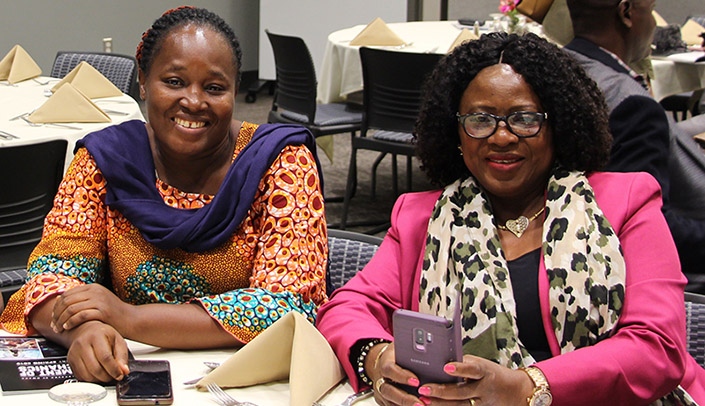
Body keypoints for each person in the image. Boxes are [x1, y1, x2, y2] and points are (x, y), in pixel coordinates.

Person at [316, 33, 705, 405]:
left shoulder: (626, 201)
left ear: (557, 125)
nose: (501, 137)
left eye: (524, 119)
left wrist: (527, 388)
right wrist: (376, 358)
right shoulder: (422, 216)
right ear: (457, 133)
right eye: (480, 120)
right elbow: (347, 307)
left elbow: (658, 346)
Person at [0, 6, 328, 383]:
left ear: (236, 92)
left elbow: (286, 307)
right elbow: (50, 278)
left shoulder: (278, 162)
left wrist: (127, 317)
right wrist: (83, 331)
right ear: (143, 82)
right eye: (173, 81)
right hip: (125, 372)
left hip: (240, 378)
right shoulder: (107, 160)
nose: (193, 101)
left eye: (215, 88)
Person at [562, 0, 705, 293]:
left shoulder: (563, 70)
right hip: (681, 279)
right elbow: (647, 226)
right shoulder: (630, 104)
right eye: (650, 9)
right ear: (627, 12)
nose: (653, 23)